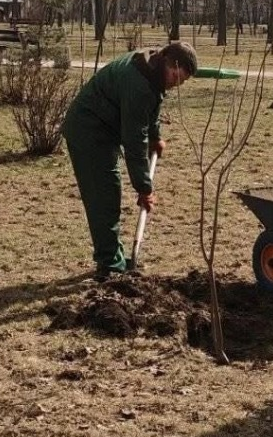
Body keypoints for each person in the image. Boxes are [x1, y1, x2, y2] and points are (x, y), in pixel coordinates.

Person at [62, 41, 198, 277]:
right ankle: (109, 265)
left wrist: (155, 137)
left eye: (182, 82)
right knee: (104, 195)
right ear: (168, 62)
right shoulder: (139, 83)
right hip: (88, 129)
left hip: (104, 126)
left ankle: (113, 257)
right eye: (176, 77)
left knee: (108, 191)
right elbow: (135, 142)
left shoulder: (152, 68)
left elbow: (152, 106)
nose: (176, 84)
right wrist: (145, 188)